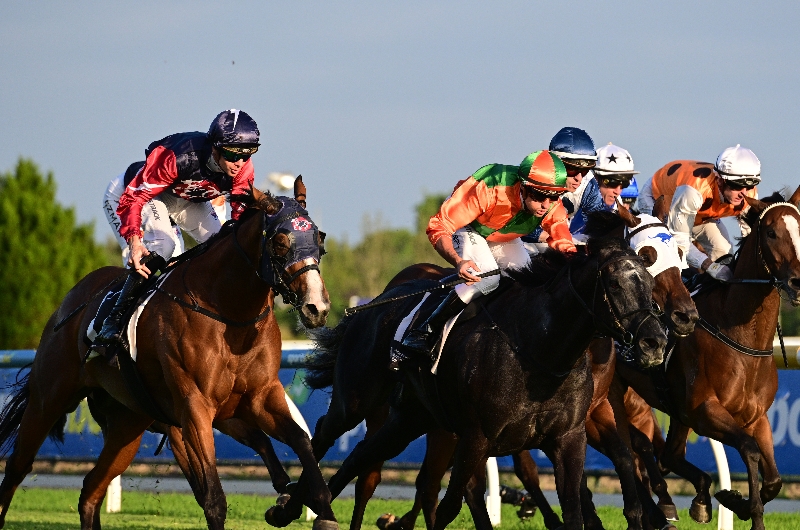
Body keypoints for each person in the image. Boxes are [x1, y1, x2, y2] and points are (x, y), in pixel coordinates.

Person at [94, 109, 260, 352]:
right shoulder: (178, 156)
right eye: (233, 154)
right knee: (163, 247)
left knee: (224, 247)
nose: (240, 163)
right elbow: (134, 199)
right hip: (134, 195)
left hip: (184, 199)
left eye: (247, 155)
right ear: (215, 147)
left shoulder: (243, 168)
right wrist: (135, 242)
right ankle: (113, 319)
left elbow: (238, 219)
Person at [394, 150, 575, 370]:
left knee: (528, 281)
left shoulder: (551, 205)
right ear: (523, 186)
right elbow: (438, 226)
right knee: (488, 278)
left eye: (553, 197)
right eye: (539, 195)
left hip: (503, 236)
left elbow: (563, 241)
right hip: (468, 227)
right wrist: (458, 261)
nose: (546, 204)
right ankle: (422, 330)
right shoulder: (491, 186)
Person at [637, 145, 760, 281]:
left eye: (750, 185)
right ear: (720, 180)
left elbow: (750, 238)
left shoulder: (750, 195)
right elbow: (679, 238)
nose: (744, 193)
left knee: (723, 250)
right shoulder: (694, 190)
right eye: (737, 185)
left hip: (697, 210)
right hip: (658, 199)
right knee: (671, 250)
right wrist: (710, 267)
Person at [521, 127, 596, 253]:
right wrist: (546, 237)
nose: (578, 178)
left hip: (559, 234)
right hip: (517, 238)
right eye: (571, 169)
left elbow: (597, 226)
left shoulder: (589, 185)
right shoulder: (534, 174)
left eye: (584, 171)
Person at [569, 143, 640, 239]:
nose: (618, 191)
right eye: (612, 183)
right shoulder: (572, 197)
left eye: (624, 184)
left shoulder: (619, 210)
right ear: (595, 178)